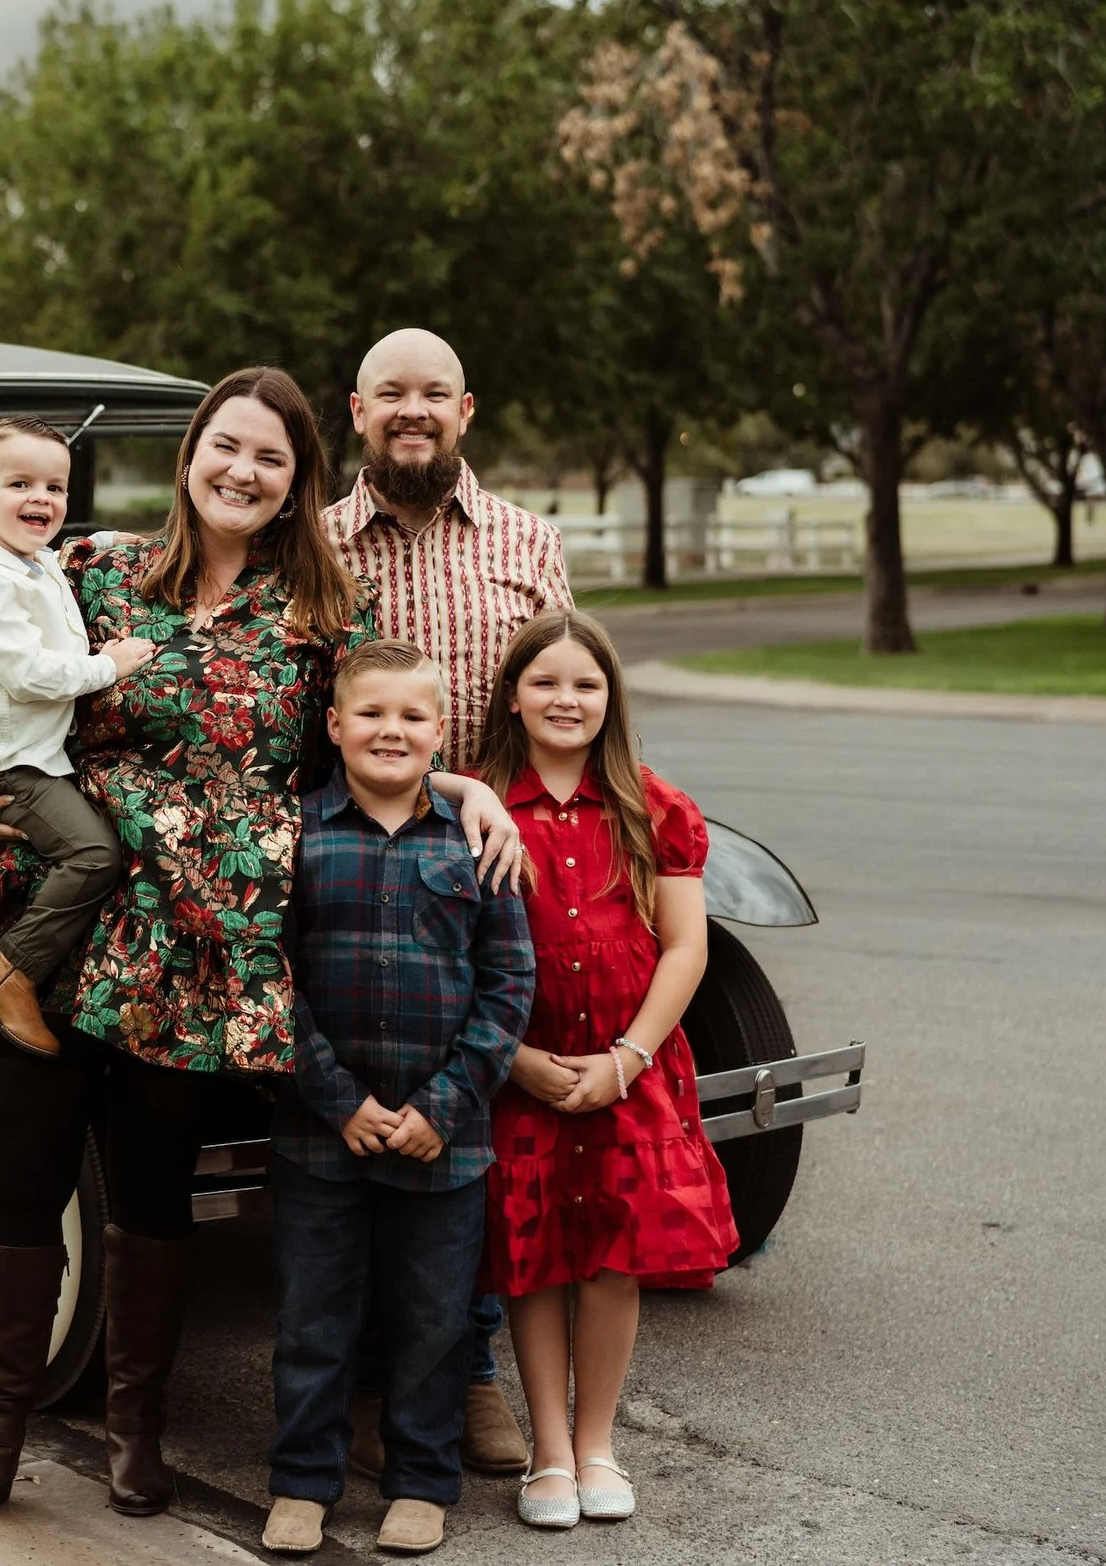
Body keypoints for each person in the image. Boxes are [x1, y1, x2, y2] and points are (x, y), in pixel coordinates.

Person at [0, 367, 523, 1522]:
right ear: (192, 452)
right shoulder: (86, 570)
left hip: (197, 947)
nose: (241, 471)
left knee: (149, 1192)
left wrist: (462, 790)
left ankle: (132, 1432)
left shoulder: (322, 619)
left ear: (299, 484)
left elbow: (378, 735)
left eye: (271, 459)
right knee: (28, 1174)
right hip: (54, 919)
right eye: (225, 447)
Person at [327, 327, 573, 1480]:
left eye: (432, 394)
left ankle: (465, 1371)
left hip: (488, 872)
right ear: (357, 410)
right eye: (391, 394)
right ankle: (372, 1381)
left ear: (465, 410)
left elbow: (566, 699)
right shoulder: (314, 544)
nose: (411, 410)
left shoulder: (528, 540)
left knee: (472, 1122)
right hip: (354, 864)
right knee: (360, 1111)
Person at [260, 640, 535, 1559]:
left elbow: (508, 985)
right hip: (318, 1131)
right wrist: (336, 1096)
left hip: (444, 1140)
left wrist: (446, 1105)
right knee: (314, 1318)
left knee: (434, 1319)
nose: (391, 729)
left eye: (412, 716)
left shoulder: (478, 845)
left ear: (440, 734)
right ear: (334, 726)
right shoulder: (296, 834)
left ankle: (423, 1479)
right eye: (370, 713)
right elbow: (271, 978)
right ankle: (303, 1477)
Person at [472, 608, 737, 1528]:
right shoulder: (476, 803)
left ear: (611, 698)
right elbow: (448, 953)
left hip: (629, 1069)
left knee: (613, 1258)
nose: (566, 699)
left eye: (586, 684)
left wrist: (628, 1059)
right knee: (535, 1253)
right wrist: (512, 1059)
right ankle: (546, 1450)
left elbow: (685, 948)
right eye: (546, 681)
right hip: (523, 1069)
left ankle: (597, 1443)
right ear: (513, 694)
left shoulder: (653, 806)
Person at [0, 416, 156, 1056]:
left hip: (35, 754)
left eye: (55, 487)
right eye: (20, 483)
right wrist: (109, 665)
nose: (42, 499)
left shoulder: (34, 563)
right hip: (11, 764)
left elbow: (77, 559)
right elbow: (30, 675)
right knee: (93, 856)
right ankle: (7, 969)